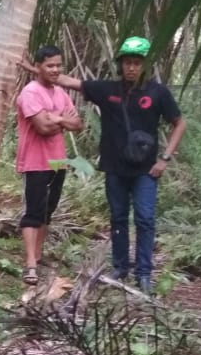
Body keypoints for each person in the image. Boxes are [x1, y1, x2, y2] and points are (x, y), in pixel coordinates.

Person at [45, 36, 186, 293]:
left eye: (136, 63)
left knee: (145, 219)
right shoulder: (107, 90)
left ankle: (144, 272)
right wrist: (41, 70)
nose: (131, 67)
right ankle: (120, 267)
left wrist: (165, 158)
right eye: (127, 63)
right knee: (118, 218)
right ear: (120, 65)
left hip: (146, 170)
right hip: (114, 168)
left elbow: (179, 123)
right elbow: (68, 81)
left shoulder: (158, 92)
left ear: (144, 65)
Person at [16, 45, 84, 285]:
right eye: (50, 65)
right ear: (38, 67)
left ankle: (39, 254)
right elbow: (42, 128)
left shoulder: (61, 93)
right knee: (33, 212)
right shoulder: (30, 93)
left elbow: (78, 124)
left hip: (58, 161)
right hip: (35, 161)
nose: (55, 70)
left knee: (48, 211)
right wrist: (60, 121)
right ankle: (30, 264)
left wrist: (55, 118)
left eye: (58, 65)